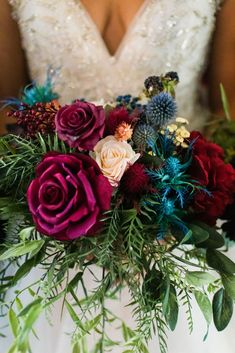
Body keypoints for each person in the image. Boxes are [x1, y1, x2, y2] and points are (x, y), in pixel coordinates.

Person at [0, 1, 235, 352]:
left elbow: (226, 107)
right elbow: (8, 116)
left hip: (181, 231)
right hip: (54, 236)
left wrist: (178, 197)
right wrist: (59, 203)